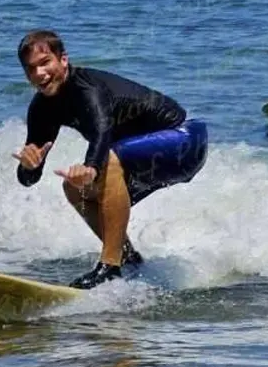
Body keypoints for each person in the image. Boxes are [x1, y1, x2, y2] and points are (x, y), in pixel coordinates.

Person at [12, 30, 208, 289]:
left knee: (108, 161)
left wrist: (91, 168)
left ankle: (109, 266)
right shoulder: (41, 108)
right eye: (30, 69)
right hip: (147, 157)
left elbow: (102, 132)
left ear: (63, 60)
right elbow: (29, 177)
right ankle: (129, 259)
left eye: (45, 62)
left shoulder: (87, 89)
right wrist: (28, 167)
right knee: (74, 188)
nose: (39, 74)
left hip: (184, 140)